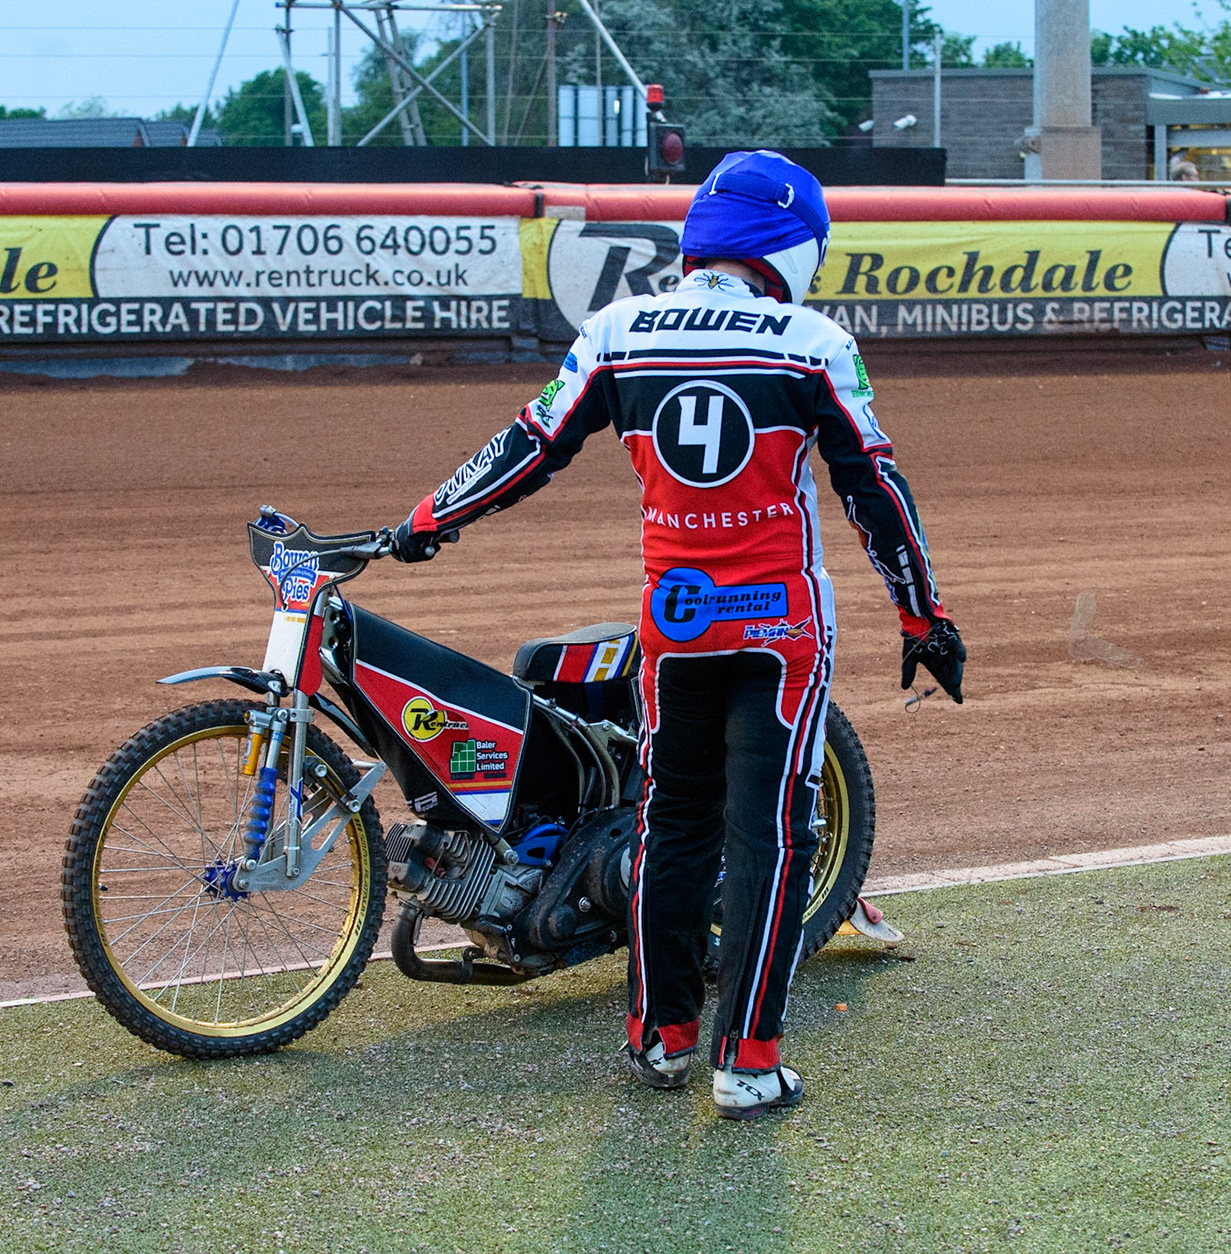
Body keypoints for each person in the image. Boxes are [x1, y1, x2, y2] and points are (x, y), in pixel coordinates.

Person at [387, 150, 962, 1120]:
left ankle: (660, 1038)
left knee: (673, 828)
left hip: (675, 630)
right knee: (772, 839)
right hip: (780, 634)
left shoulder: (617, 331)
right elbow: (878, 493)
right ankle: (749, 1062)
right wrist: (924, 617)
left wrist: (429, 518)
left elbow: (530, 443)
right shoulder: (813, 342)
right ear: (794, 246)